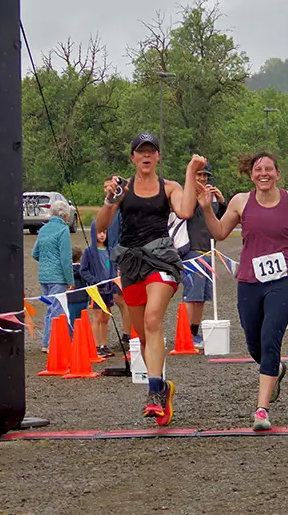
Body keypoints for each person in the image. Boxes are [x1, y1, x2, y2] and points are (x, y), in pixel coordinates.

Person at [197, 151, 288, 431]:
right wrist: (207, 209)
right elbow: (220, 233)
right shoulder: (240, 202)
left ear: (277, 174)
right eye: (258, 170)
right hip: (249, 280)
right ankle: (275, 368)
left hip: (284, 280)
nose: (263, 174)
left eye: (269, 169)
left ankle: (261, 409)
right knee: (254, 343)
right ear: (251, 175)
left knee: (271, 337)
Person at [96, 132, 203, 427]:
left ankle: (153, 393)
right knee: (143, 334)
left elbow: (185, 210)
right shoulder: (122, 189)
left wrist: (191, 174)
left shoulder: (169, 187)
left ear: (157, 157)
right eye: (140, 151)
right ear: (132, 158)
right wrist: (110, 200)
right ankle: (163, 388)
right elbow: (101, 227)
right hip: (131, 262)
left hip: (161, 259)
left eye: (151, 151)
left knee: (154, 319)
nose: (145, 156)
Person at [182, 163, 228, 350]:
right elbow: (185, 213)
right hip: (192, 250)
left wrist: (222, 202)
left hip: (208, 250)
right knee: (191, 295)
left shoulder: (211, 199)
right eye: (198, 175)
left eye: (205, 176)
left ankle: (194, 331)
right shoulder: (187, 196)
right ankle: (185, 334)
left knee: (202, 296)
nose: (202, 179)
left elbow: (222, 221)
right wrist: (195, 193)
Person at [31, 200, 74, 353]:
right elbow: (66, 259)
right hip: (58, 277)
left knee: (51, 309)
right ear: (65, 215)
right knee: (57, 310)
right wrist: (70, 280)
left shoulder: (43, 229)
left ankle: (48, 341)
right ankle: (50, 342)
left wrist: (45, 263)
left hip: (44, 276)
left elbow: (34, 253)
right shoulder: (63, 230)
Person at [80, 221, 117, 358]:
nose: (102, 235)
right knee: (97, 318)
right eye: (99, 232)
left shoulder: (110, 251)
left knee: (106, 317)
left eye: (104, 232)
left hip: (109, 289)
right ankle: (95, 346)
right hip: (96, 290)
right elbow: (83, 270)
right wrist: (94, 281)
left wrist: (114, 279)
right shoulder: (89, 252)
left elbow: (114, 268)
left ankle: (104, 344)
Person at [104, 179, 133, 344]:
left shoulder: (123, 210)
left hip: (122, 257)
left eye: (110, 186)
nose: (107, 188)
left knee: (123, 298)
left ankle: (128, 333)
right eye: (105, 186)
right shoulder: (108, 210)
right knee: (115, 297)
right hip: (109, 257)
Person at [68, 246, 89, 338]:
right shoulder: (83, 269)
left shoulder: (67, 271)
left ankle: (72, 338)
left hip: (70, 299)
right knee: (81, 319)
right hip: (83, 298)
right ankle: (81, 337)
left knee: (71, 320)